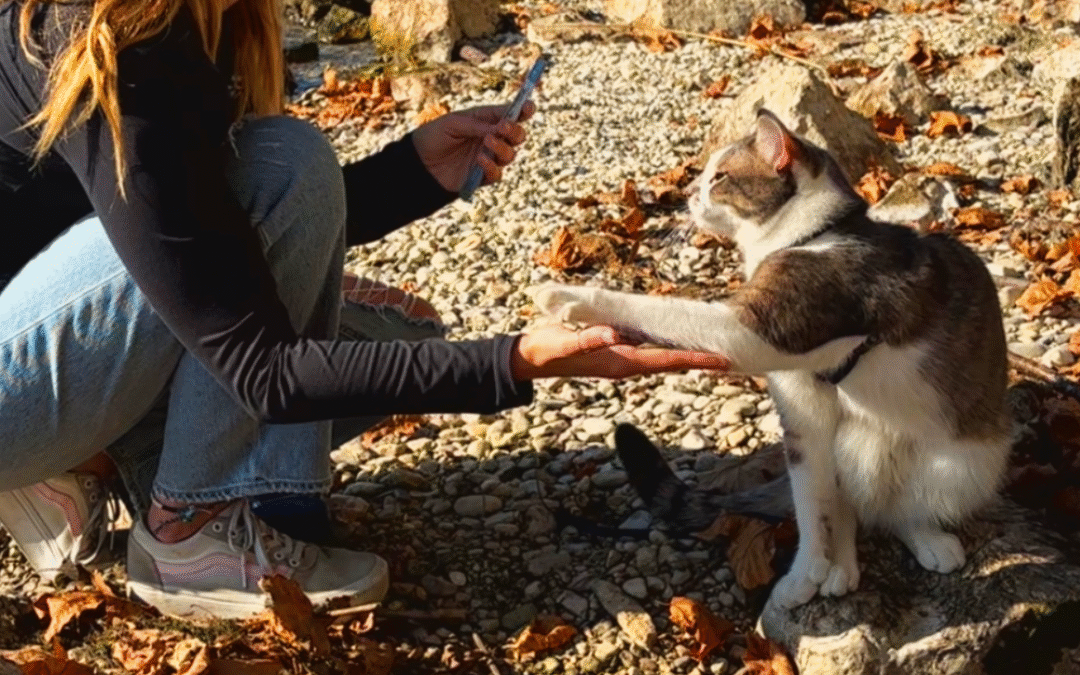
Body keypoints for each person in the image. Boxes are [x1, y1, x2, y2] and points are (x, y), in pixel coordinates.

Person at [0, 0, 729, 619]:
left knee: (396, 323)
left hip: (29, 332)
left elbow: (205, 230)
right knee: (284, 162)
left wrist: (413, 173)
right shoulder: (109, 38)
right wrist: (515, 361)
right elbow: (265, 372)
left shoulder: (212, 21)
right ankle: (189, 534)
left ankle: (86, 465)